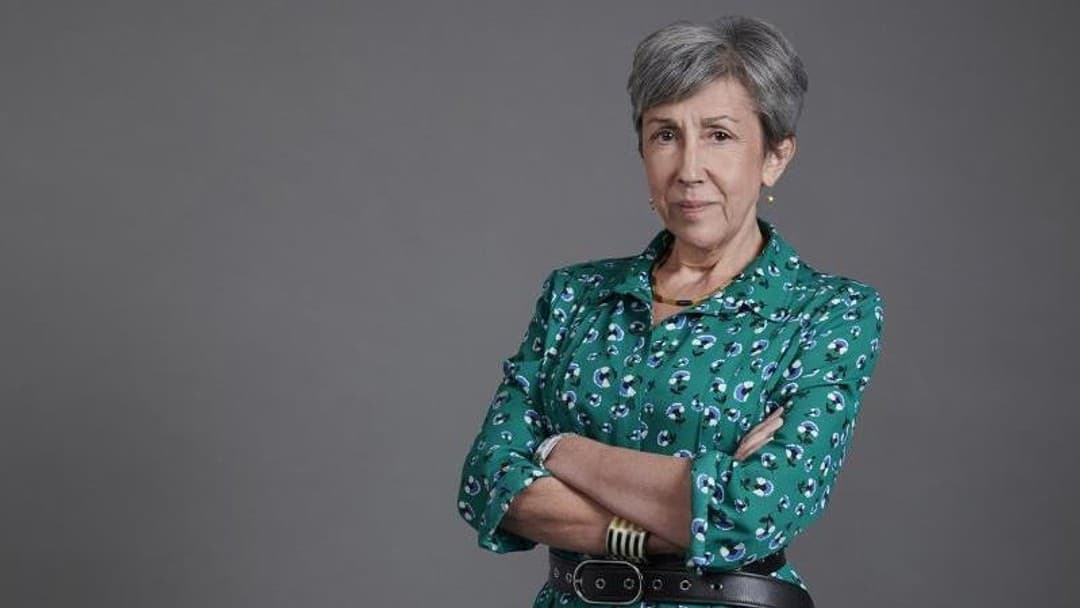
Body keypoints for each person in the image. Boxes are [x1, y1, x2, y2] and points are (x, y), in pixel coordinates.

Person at [455, 15, 886, 608]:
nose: (688, 169)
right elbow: (487, 483)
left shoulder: (828, 314)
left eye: (719, 135)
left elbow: (754, 513)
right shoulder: (575, 296)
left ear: (775, 156)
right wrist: (685, 512)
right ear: (641, 150)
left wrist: (560, 450)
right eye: (665, 135)